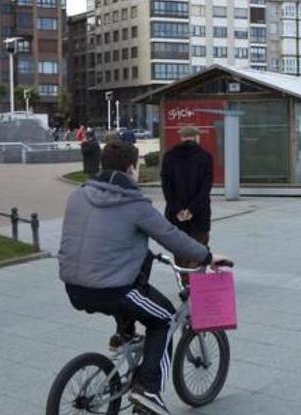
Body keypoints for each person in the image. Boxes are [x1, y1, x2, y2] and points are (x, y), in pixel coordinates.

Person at [58, 140, 231, 415]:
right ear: (130, 168)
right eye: (136, 167)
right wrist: (208, 257)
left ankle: (124, 334)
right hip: (112, 289)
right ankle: (148, 389)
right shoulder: (134, 204)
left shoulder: (78, 195)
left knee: (136, 287)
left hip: (74, 286)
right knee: (163, 318)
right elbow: (172, 237)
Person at [161, 126, 213, 246]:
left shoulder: (169, 156)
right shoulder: (205, 157)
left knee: (180, 254)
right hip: (199, 215)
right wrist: (191, 210)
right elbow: (205, 188)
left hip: (175, 215)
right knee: (199, 253)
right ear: (196, 137)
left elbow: (167, 187)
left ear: (182, 137)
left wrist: (178, 209)